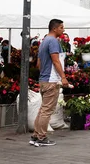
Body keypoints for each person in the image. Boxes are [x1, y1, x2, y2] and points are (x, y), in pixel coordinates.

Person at [30, 19, 69, 147]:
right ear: (55, 29)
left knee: (42, 110)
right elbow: (56, 61)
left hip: (44, 79)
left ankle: (36, 135)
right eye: (61, 27)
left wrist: (44, 75)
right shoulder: (53, 41)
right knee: (46, 111)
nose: (63, 30)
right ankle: (41, 137)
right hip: (51, 80)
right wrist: (63, 77)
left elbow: (39, 63)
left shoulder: (44, 41)